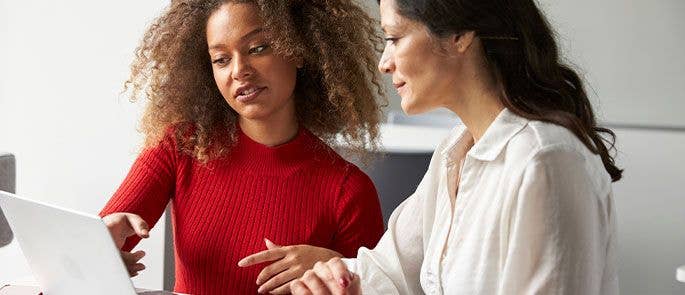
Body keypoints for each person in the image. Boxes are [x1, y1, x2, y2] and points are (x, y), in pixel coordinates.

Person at [290, 0, 623, 294]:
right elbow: (390, 272)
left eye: (394, 38)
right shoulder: (455, 152)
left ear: (460, 34)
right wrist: (336, 279)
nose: (384, 63)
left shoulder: (544, 160)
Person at [99, 0, 386, 294]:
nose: (239, 71)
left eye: (258, 48)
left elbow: (380, 288)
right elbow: (70, 262)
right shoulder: (182, 146)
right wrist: (98, 257)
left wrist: (338, 266)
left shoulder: (348, 191)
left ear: (298, 49)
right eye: (221, 59)